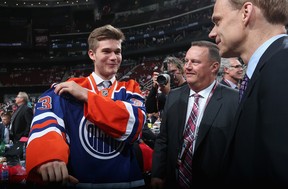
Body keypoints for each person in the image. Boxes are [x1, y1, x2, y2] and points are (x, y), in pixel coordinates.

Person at [26, 24, 147, 188]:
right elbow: (47, 115)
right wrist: (49, 155)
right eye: (106, 51)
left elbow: (135, 127)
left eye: (117, 51)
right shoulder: (72, 85)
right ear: (92, 54)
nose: (114, 57)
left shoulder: (131, 87)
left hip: (126, 181)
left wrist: (87, 96)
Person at [209, 0, 288, 187]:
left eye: (217, 21)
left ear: (246, 12)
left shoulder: (282, 66)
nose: (212, 33)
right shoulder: (271, 65)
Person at [151, 40, 239, 188]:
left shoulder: (234, 99)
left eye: (195, 62)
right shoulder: (173, 96)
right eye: (186, 61)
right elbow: (163, 139)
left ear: (214, 67)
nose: (187, 67)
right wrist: (158, 173)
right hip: (174, 181)